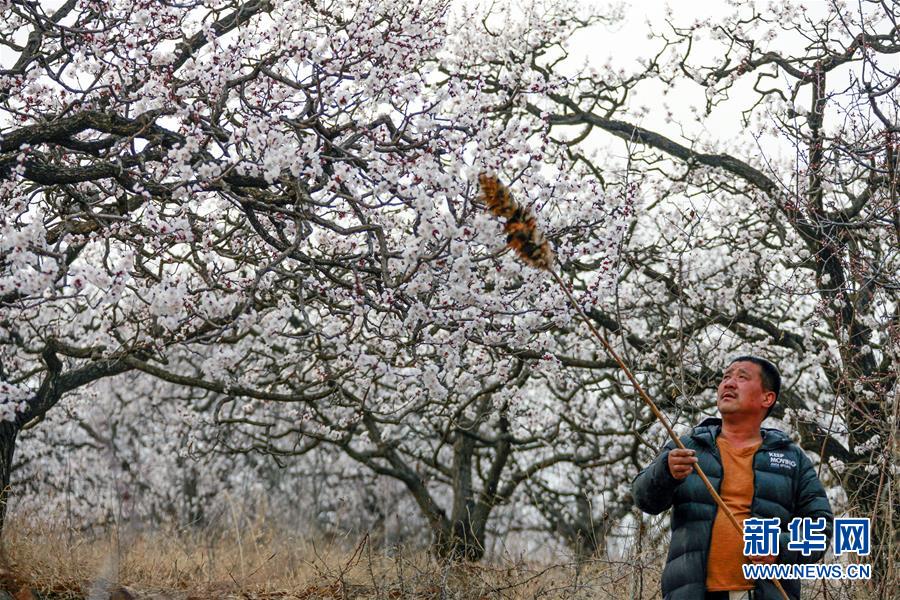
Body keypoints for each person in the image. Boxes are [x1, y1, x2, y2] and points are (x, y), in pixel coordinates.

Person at [632, 356, 833, 600]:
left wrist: (780, 547)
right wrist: (665, 471)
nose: (728, 383)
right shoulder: (688, 446)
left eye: (742, 377)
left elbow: (821, 529)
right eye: (726, 377)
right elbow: (644, 499)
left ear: (767, 398)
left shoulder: (791, 458)